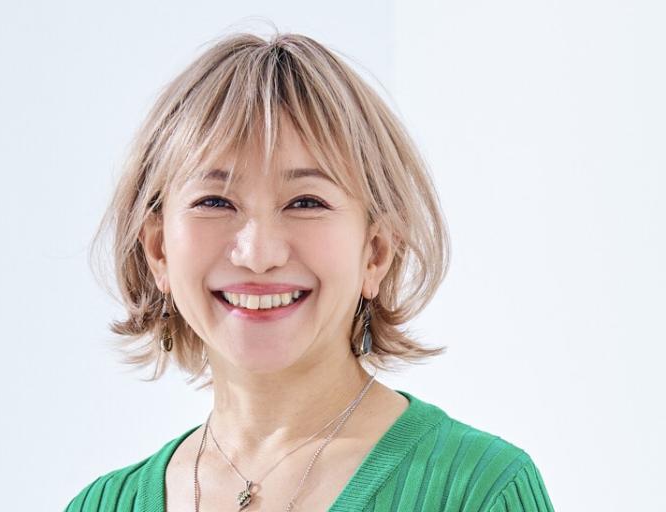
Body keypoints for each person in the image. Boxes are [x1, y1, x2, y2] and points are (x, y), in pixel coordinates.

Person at [64, 30, 554, 512]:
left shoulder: (479, 492)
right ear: (158, 251)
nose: (258, 254)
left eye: (305, 202)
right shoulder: (101, 505)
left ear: (375, 252)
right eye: (214, 201)